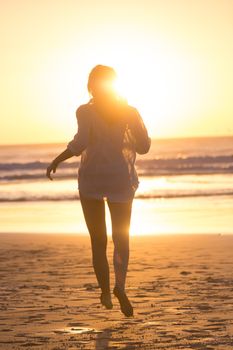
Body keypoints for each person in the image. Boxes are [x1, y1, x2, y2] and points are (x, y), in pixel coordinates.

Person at [46, 64, 151, 317]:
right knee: (121, 238)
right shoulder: (129, 111)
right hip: (120, 180)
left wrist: (57, 160)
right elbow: (144, 147)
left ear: (92, 85)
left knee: (98, 241)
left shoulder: (85, 111)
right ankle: (120, 287)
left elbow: (79, 143)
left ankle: (104, 291)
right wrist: (132, 122)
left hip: (92, 181)